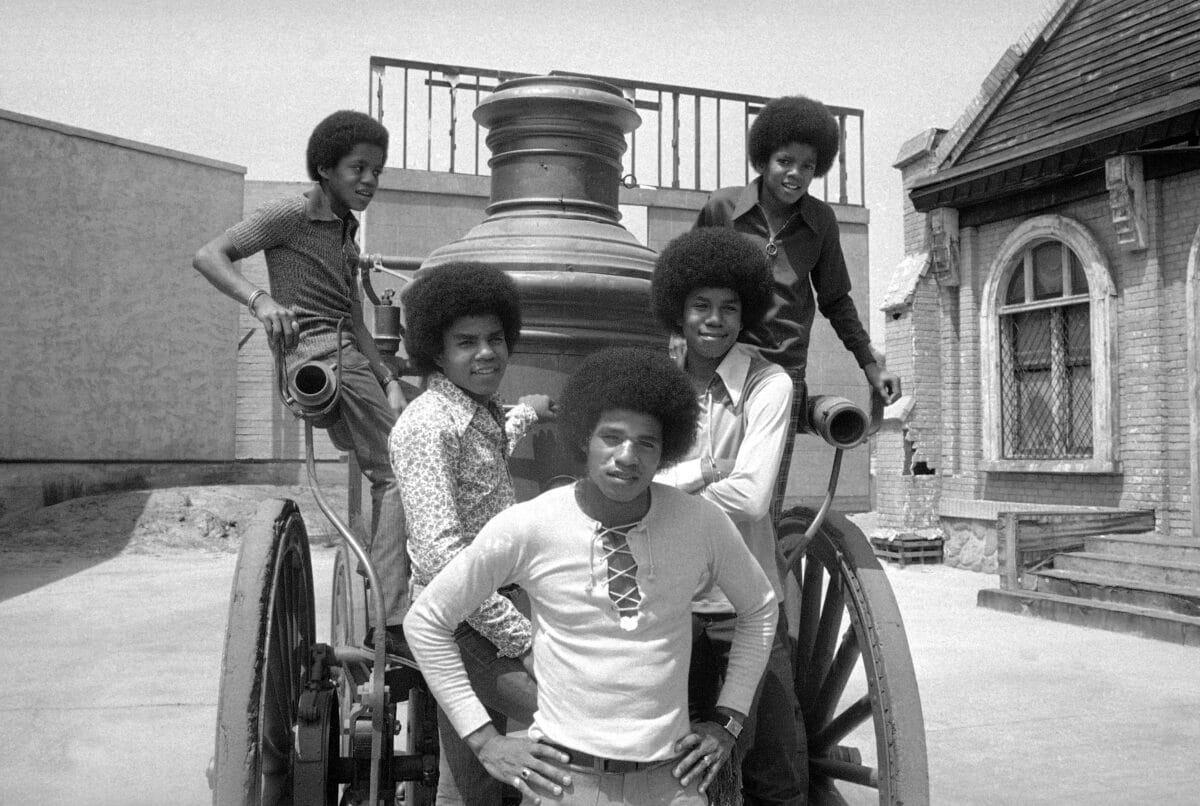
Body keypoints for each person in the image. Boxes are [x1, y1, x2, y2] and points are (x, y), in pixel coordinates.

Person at [404, 347, 778, 806]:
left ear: (667, 450)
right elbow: (426, 621)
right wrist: (484, 740)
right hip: (563, 785)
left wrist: (729, 721)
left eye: (647, 442)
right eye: (612, 437)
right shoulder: (532, 524)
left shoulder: (700, 522)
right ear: (585, 439)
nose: (627, 456)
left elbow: (760, 606)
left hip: (672, 786)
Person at [193, 110, 409, 639]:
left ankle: (380, 566)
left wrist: (390, 379)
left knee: (409, 439)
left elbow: (355, 317)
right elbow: (209, 255)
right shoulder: (290, 213)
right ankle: (394, 615)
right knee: (400, 471)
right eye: (358, 168)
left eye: (377, 171)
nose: (370, 181)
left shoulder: (346, 233)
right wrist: (259, 299)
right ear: (324, 169)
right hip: (319, 362)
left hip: (350, 357)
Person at [389, 261, 554, 805]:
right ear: (436, 351)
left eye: (495, 339)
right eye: (467, 342)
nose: (485, 353)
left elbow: (494, 444)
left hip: (492, 607)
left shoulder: (474, 414)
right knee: (564, 712)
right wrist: (521, 640)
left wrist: (531, 411)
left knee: (468, 781)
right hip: (463, 621)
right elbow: (441, 557)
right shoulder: (426, 426)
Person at [651, 228, 806, 805]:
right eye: (700, 306)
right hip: (672, 604)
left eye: (729, 308)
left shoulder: (769, 384)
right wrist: (701, 475)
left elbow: (752, 499)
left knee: (776, 773)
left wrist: (659, 489)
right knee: (676, 765)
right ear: (679, 311)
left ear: (746, 313)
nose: (714, 320)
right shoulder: (656, 383)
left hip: (747, 603)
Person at [693, 94, 901, 405]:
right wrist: (678, 344)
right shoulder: (722, 207)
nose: (796, 174)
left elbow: (837, 301)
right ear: (763, 161)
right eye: (785, 161)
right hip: (720, 366)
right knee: (711, 456)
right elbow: (686, 280)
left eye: (807, 166)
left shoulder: (822, 221)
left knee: (771, 457)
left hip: (784, 374)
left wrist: (871, 366)